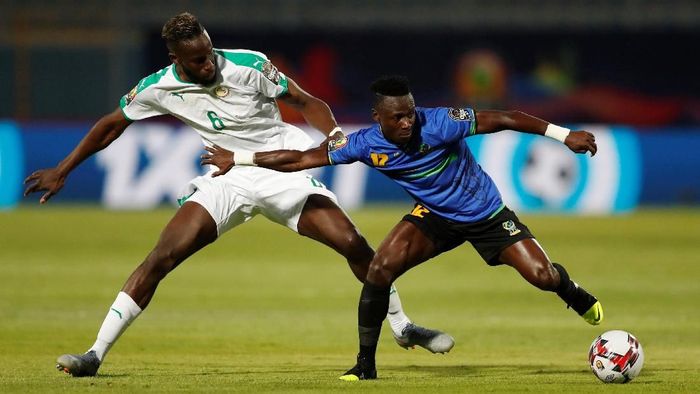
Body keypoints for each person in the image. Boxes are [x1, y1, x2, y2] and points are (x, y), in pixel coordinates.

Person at [23, 15, 454, 377]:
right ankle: (94, 354)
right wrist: (63, 169)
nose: (208, 64)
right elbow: (110, 125)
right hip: (226, 177)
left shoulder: (250, 65)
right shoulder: (158, 87)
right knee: (161, 257)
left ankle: (401, 325)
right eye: (197, 60)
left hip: (277, 167)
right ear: (176, 60)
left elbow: (306, 101)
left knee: (352, 243)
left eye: (209, 53)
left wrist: (336, 135)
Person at [200, 75, 604, 381]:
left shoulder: (441, 121)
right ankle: (364, 367)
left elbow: (505, 117)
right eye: (398, 117)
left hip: (487, 215)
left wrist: (563, 135)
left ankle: (573, 292)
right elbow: (302, 158)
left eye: (410, 112)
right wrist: (239, 158)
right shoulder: (363, 143)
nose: (408, 121)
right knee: (378, 270)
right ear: (379, 118)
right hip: (434, 217)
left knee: (542, 276)